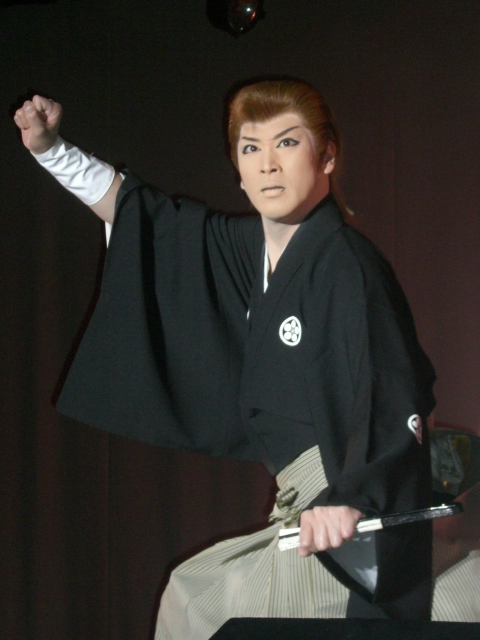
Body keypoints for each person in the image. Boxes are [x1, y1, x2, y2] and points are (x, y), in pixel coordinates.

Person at [15, 80, 438, 637]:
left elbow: (390, 391)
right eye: (250, 148)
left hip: (346, 502)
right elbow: (147, 217)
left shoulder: (347, 264)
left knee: (226, 609)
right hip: (301, 502)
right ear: (238, 169)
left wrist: (353, 499)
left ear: (328, 155)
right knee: (191, 591)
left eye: (288, 143)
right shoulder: (248, 251)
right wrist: (51, 150)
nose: (268, 165)